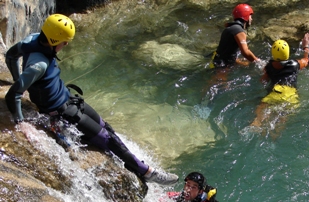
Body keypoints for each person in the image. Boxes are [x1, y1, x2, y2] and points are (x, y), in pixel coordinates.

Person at [4, 14, 178, 186]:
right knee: (107, 140)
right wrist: (21, 122)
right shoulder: (39, 66)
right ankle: (147, 172)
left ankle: (137, 164)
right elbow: (13, 94)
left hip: (70, 99)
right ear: (54, 40)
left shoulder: (32, 39)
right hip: (64, 113)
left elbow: (11, 56)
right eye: (64, 42)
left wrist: (17, 77)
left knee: (107, 128)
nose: (66, 45)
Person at [251, 33, 309, 130]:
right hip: (291, 94)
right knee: (282, 116)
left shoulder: (269, 67)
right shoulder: (296, 64)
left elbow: (263, 80)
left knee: (262, 106)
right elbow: (306, 60)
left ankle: (257, 122)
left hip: (276, 92)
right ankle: (276, 133)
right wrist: (306, 47)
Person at [210, 3, 260, 69]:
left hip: (218, 60)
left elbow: (227, 52)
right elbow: (245, 52)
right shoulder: (238, 31)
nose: (251, 19)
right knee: (219, 80)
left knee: (246, 64)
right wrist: (258, 61)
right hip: (223, 65)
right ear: (246, 16)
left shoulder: (231, 28)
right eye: (250, 16)